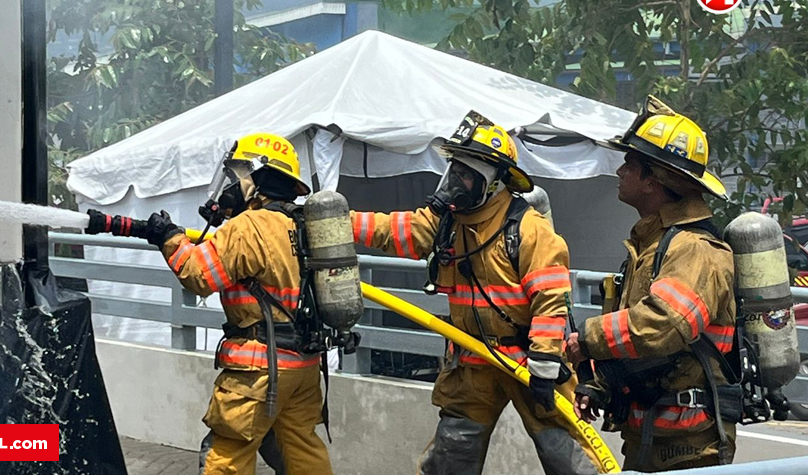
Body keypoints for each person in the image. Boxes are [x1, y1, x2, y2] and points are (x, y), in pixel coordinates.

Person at [351, 111, 601, 475]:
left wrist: (545, 367)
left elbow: (551, 301)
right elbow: (393, 230)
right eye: (454, 171)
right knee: (453, 455)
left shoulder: (529, 231)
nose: (455, 182)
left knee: (565, 455)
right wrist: (334, 222)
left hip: (528, 363)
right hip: (472, 361)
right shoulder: (447, 224)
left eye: (466, 175)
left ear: (495, 183)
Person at [143, 132, 333, 475]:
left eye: (236, 175)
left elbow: (198, 275)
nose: (230, 185)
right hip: (303, 367)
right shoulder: (302, 224)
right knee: (301, 450)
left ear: (255, 179)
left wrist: (169, 238)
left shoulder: (249, 226)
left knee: (227, 455)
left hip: (259, 370)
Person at [566, 96, 738, 472]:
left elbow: (665, 325)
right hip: (648, 438)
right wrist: (601, 383)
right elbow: (646, 352)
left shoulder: (695, 250)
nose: (620, 171)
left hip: (689, 450)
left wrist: (588, 337)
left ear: (654, 178)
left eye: (630, 163)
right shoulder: (652, 246)